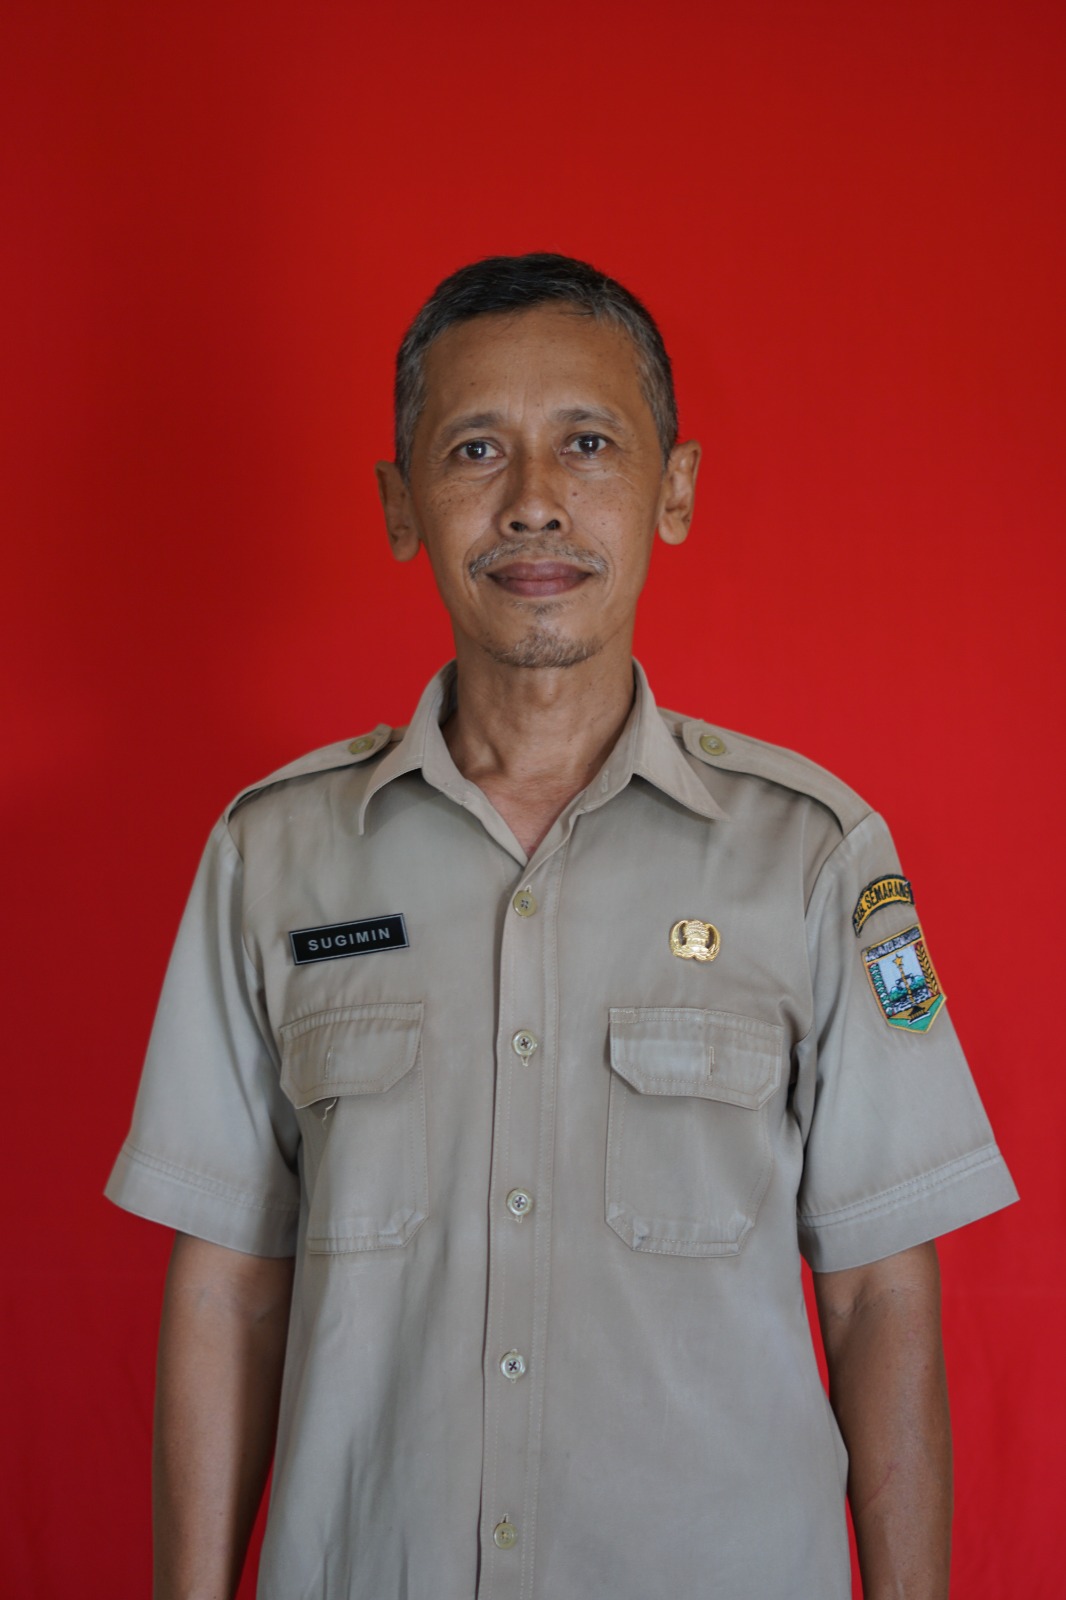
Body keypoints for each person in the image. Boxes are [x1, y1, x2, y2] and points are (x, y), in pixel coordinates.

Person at [107, 252, 1017, 1600]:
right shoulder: (273, 856)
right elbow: (230, 1283)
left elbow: (881, 1292)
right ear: (401, 505)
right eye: (475, 449)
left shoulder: (816, 858)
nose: (533, 499)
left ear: (674, 489)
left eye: (587, 444)